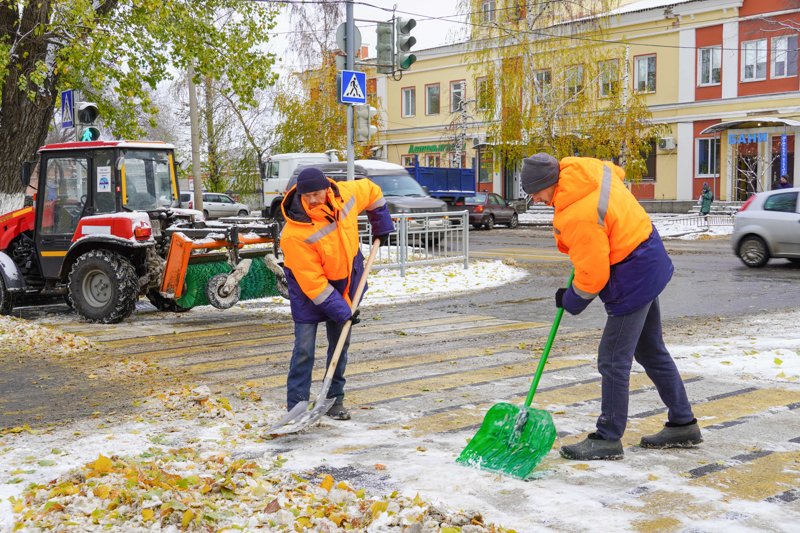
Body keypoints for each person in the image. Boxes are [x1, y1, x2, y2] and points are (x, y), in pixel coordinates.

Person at [521, 153, 701, 461]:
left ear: (549, 183)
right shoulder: (588, 173)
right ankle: (683, 423)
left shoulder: (578, 213)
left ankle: (608, 437)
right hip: (647, 255)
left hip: (630, 274)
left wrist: (571, 299)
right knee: (650, 350)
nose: (535, 199)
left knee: (612, 359)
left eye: (536, 193)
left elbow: (593, 276)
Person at [280, 167, 394, 420]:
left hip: (346, 283)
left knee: (340, 345)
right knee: (304, 349)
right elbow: (314, 283)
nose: (312, 200)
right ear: (299, 194)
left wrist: (381, 222)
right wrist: (343, 312)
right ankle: (297, 406)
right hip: (309, 292)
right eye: (306, 195)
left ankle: (334, 400)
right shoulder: (294, 234)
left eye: (317, 194)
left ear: (327, 190)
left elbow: (373, 191)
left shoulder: (346, 194)